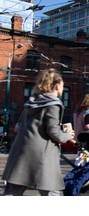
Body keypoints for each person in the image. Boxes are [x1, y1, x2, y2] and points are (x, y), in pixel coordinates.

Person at [2, 68, 75, 196]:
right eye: (62, 86)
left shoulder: (31, 102)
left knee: (13, 192)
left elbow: (18, 128)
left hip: (21, 152)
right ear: (57, 86)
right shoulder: (53, 104)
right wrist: (68, 135)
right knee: (52, 192)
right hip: (42, 156)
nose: (62, 90)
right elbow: (54, 132)